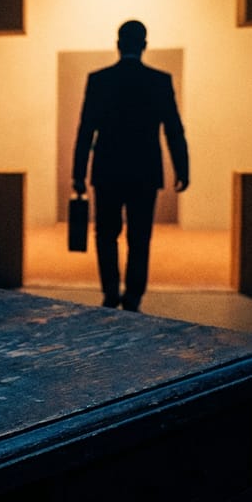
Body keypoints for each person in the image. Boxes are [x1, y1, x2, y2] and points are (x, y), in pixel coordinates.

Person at [72, 20, 189, 313]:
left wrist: (78, 173)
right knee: (140, 237)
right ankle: (133, 297)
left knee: (106, 234)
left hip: (107, 171)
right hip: (145, 173)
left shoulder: (99, 80)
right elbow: (174, 129)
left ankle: (111, 293)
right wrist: (182, 168)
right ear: (144, 45)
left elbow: (86, 130)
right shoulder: (159, 81)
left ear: (119, 44)